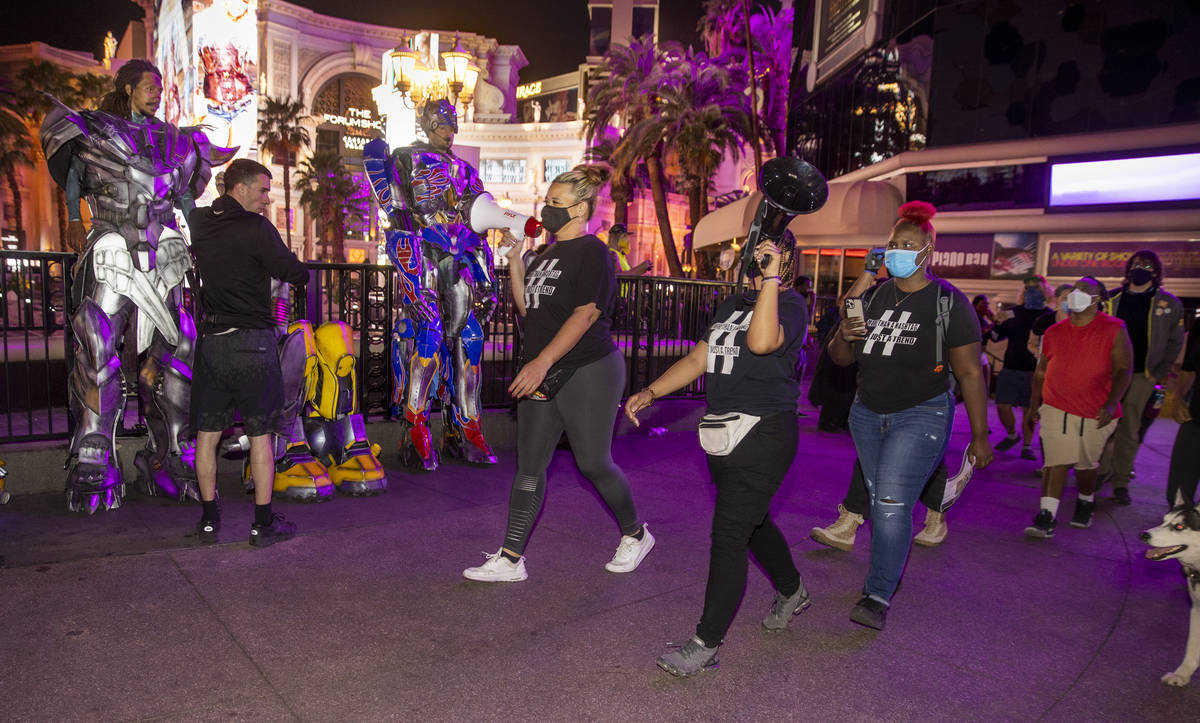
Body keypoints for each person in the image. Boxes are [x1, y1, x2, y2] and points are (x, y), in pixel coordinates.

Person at [39, 59, 235, 513]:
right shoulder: (93, 127)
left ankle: (168, 451)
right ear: (127, 88)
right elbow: (74, 175)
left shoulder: (177, 140)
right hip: (111, 240)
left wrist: (207, 233)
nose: (156, 92)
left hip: (164, 248)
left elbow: (186, 199)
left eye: (160, 87)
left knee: (180, 345)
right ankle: (93, 452)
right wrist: (73, 218)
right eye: (149, 85)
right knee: (97, 340)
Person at [623, 233, 809, 677]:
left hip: (766, 432)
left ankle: (705, 644)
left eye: (765, 254)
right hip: (723, 432)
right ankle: (793, 589)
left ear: (785, 263)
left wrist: (770, 280)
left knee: (728, 533)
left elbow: (763, 343)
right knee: (752, 522)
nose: (754, 259)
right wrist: (651, 391)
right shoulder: (731, 306)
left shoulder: (792, 306)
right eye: (753, 253)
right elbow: (698, 359)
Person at [463, 163, 653, 582]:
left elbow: (586, 314)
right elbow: (528, 309)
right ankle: (511, 560)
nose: (546, 210)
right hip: (544, 369)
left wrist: (542, 361)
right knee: (529, 466)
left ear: (581, 210)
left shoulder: (594, 253)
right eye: (546, 202)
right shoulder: (545, 254)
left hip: (588, 369)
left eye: (556, 204)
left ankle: (636, 534)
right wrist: (515, 260)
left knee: (592, 462)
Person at [828, 201, 993, 630]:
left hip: (920, 413)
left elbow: (971, 373)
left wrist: (980, 435)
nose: (898, 250)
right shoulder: (874, 295)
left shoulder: (948, 303)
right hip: (867, 414)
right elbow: (840, 358)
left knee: (889, 503)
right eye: (893, 243)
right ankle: (882, 574)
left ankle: (877, 594)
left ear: (927, 251)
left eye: (908, 244)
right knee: (880, 495)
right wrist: (845, 335)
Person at [362, 99, 498, 471]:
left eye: (452, 123)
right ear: (426, 124)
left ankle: (467, 426)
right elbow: (396, 219)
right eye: (441, 122)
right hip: (423, 260)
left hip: (460, 263)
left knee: (469, 338)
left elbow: (479, 228)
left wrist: (488, 279)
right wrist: (411, 283)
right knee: (429, 335)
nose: (448, 130)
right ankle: (416, 423)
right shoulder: (405, 158)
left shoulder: (466, 170)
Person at [188, 159, 309, 547]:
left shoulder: (201, 223)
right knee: (261, 436)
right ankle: (262, 523)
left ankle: (209, 521)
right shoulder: (257, 228)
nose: (266, 198)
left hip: (212, 343)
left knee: (206, 438)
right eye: (262, 189)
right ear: (239, 188)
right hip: (253, 343)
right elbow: (295, 272)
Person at [1025, 277, 1132, 538]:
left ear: (1098, 300)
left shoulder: (1114, 328)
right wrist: (1033, 404)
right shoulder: (1054, 332)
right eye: (1075, 290)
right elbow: (1041, 371)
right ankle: (1046, 516)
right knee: (1055, 462)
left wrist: (1110, 402)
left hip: (1095, 412)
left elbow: (1123, 370)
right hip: (1055, 405)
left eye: (1085, 291)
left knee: (1086, 466)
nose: (1077, 294)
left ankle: (1086, 500)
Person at [1098, 251, 1185, 505]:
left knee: (1129, 429)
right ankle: (1100, 472)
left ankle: (1121, 482)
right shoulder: (1112, 298)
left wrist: (1158, 372)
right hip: (1108, 374)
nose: (1140, 268)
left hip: (1141, 376)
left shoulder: (1168, 304)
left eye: (1146, 265)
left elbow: (1175, 341)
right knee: (1102, 424)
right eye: (1135, 264)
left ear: (1156, 271)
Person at [991, 277, 1055, 460]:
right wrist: (997, 322)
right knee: (1003, 406)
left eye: (1036, 287)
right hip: (1010, 367)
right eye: (1028, 288)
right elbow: (995, 337)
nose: (1031, 291)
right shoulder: (1013, 313)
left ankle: (1027, 445)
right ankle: (1012, 435)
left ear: (1045, 291)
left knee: (1030, 409)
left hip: (1034, 371)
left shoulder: (1049, 315)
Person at [1166, 314, 1200, 508]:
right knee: (1178, 490)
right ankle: (1179, 525)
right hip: (1196, 416)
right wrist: (1178, 399)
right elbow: (1188, 368)